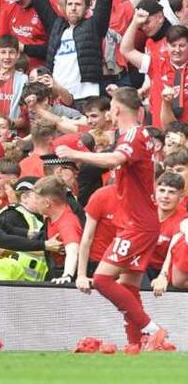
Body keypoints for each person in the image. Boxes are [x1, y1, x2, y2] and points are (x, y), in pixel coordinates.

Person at [56, 87, 175, 351]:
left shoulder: (132, 135)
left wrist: (75, 154)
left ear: (117, 109)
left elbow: (114, 158)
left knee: (102, 280)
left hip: (138, 224)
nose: (110, 110)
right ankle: (135, 344)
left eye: (110, 106)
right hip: (139, 222)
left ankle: (152, 330)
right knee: (128, 285)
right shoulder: (136, 133)